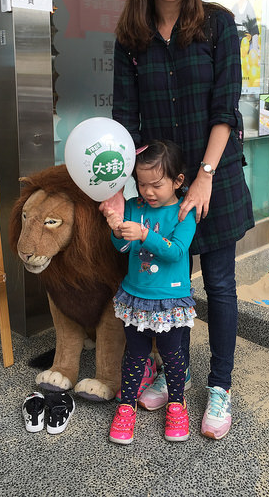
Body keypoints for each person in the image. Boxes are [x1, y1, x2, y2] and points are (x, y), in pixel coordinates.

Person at [111, 0, 254, 440]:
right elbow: (125, 121)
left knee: (217, 284)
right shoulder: (131, 38)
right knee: (162, 285)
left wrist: (204, 178)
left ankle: (219, 386)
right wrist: (115, 192)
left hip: (214, 181)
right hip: (158, 190)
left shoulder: (218, 25)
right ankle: (175, 370)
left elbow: (225, 110)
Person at [104, 140, 197, 444]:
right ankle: (126, 408)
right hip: (136, 297)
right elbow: (123, 247)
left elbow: (176, 252)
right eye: (140, 184)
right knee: (134, 355)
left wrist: (145, 233)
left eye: (155, 185)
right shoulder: (133, 207)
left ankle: (176, 406)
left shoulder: (184, 213)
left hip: (170, 300)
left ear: (178, 181)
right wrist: (117, 229)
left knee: (172, 356)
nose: (147, 192)